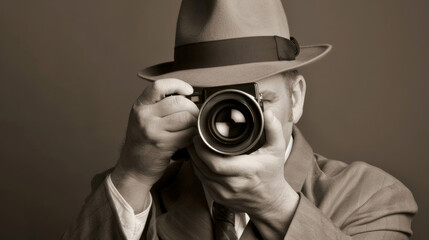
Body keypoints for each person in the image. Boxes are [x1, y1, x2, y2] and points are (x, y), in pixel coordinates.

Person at [62, 0, 417, 239]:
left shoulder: (369, 196)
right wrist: (133, 173)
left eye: (257, 100)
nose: (235, 119)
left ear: (296, 98)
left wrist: (275, 204)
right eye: (213, 99)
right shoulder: (135, 195)